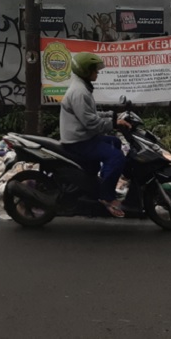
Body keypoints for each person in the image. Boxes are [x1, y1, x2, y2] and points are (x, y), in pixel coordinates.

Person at [59, 52, 131, 218]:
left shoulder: (82, 88)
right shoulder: (79, 92)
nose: (97, 73)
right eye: (95, 70)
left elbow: (93, 115)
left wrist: (114, 116)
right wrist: (113, 123)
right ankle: (106, 197)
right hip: (78, 141)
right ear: (85, 71)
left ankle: (104, 185)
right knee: (117, 157)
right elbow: (91, 123)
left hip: (83, 136)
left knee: (115, 143)